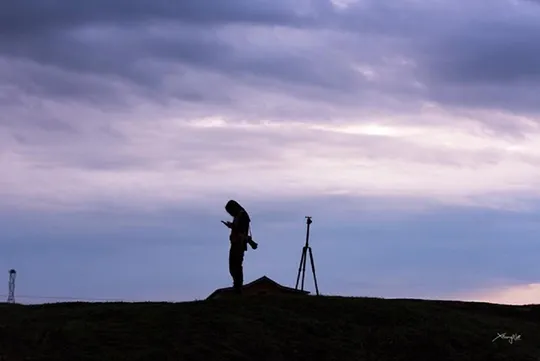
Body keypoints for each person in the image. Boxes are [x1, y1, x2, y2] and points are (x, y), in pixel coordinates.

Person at [222, 200, 257, 294]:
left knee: (235, 265)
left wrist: (232, 227)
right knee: (234, 265)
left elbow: (241, 230)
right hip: (236, 242)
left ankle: (238, 287)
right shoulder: (241, 215)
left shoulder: (242, 216)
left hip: (238, 243)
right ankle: (237, 286)